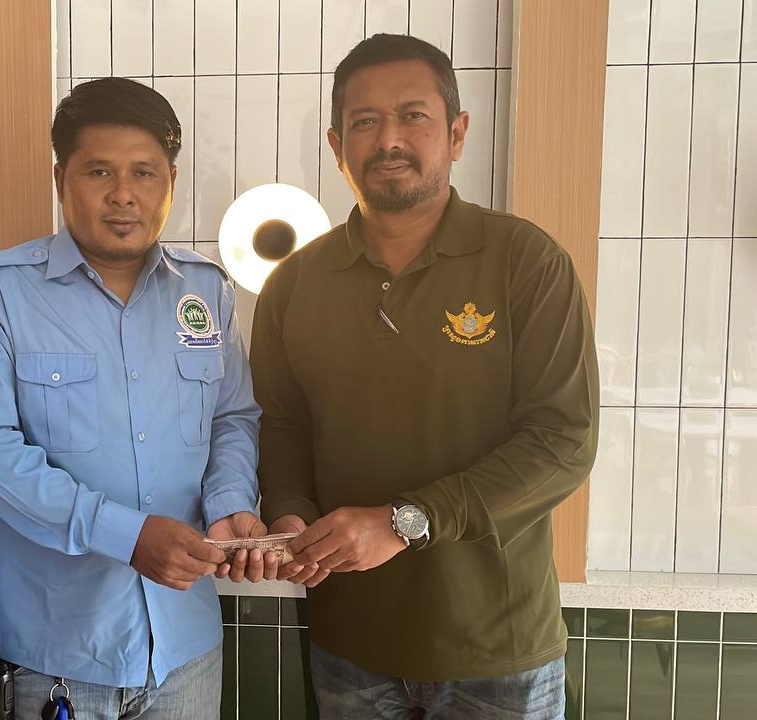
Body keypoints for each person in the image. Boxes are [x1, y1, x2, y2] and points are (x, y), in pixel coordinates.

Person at [252, 34, 598, 719]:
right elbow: (282, 427)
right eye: (365, 122)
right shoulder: (294, 283)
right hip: (348, 643)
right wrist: (290, 514)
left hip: (498, 649)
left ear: (457, 132)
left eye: (413, 115)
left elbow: (563, 442)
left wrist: (407, 521)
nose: (389, 140)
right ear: (336, 145)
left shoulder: (525, 261)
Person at [0, 77, 274, 720]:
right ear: (61, 178)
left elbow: (233, 417)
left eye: (144, 172)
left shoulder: (206, 291)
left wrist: (230, 504)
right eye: (100, 172)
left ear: (170, 181)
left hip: (187, 649)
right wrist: (124, 534)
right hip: (55, 655)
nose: (123, 193)